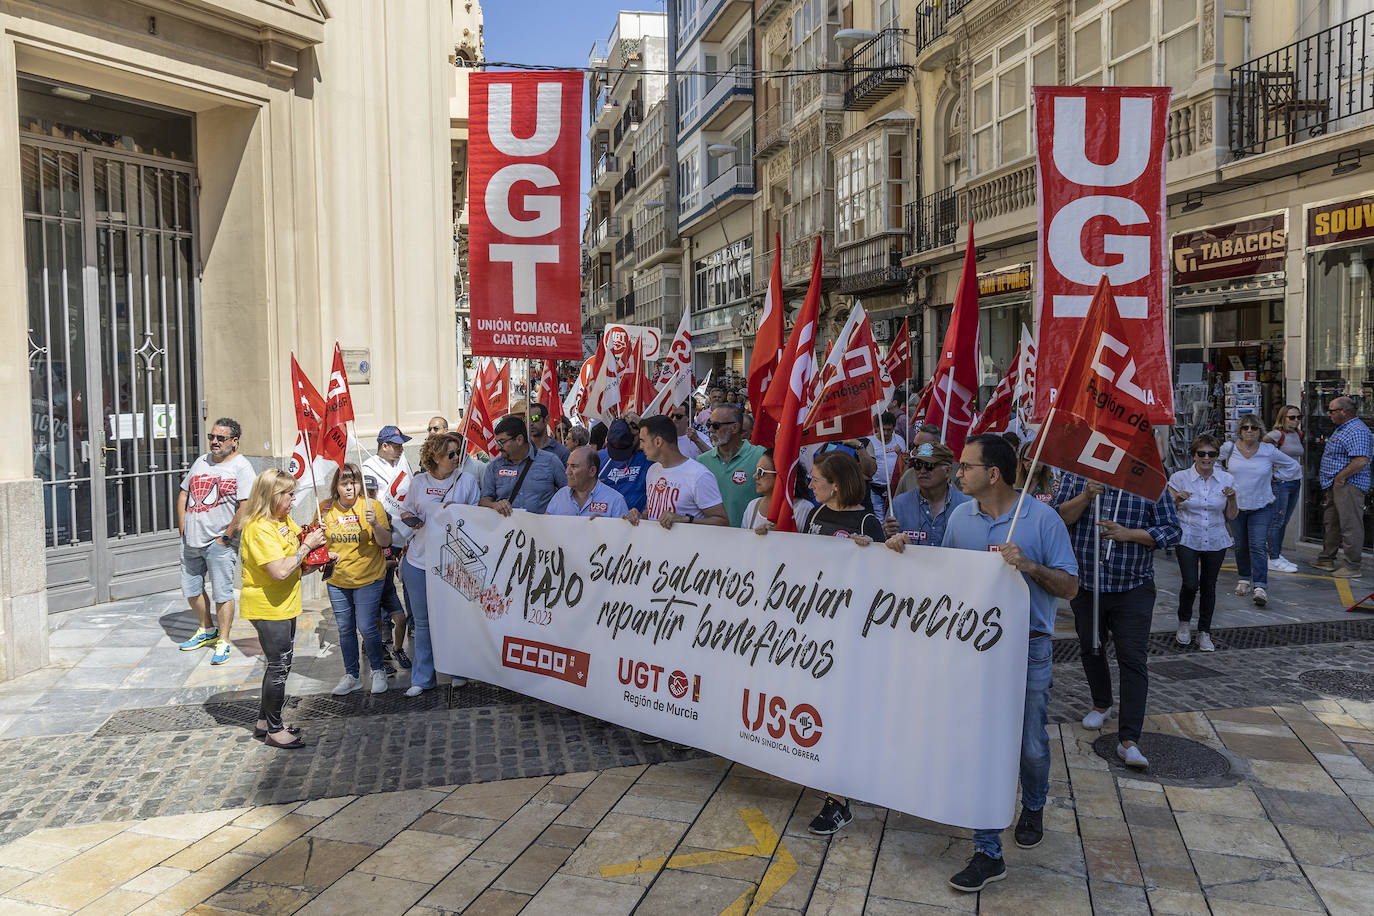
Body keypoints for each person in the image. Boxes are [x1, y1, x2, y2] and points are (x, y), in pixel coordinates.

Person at [925, 434, 1078, 893]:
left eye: (967, 466)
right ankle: (988, 851)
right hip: (974, 650)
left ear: (993, 474)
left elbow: (1070, 587)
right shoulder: (959, 517)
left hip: (1029, 648)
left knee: (1030, 743)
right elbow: (943, 576)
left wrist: (1031, 568)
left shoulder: (1043, 519)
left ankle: (1033, 802)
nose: (958, 474)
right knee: (981, 745)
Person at [758, 449, 882, 838]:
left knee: (841, 712)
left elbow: (884, 582)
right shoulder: (813, 516)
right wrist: (769, 539)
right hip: (812, 629)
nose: (809, 485)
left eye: (816, 479)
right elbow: (800, 562)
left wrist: (874, 553)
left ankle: (838, 799)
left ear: (837, 483)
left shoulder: (867, 521)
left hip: (848, 634)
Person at [1053, 473, 1180, 769]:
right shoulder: (1077, 474)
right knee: (1091, 646)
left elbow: (1172, 531)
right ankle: (1101, 702)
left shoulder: (1151, 480)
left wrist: (1129, 534)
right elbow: (1059, 519)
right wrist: (1085, 496)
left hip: (1133, 585)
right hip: (1085, 583)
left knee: (1133, 658)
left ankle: (1129, 740)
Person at [238, 469, 330, 749]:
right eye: (289, 494)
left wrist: (319, 557)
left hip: (285, 603)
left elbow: (294, 567)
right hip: (267, 607)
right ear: (272, 495)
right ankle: (275, 731)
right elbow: (279, 570)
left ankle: (263, 723)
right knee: (279, 667)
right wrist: (306, 546)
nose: (293, 499)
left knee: (279, 665)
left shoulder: (283, 521)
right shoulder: (258, 528)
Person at [401, 432, 481, 697]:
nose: (457, 457)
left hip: (454, 561)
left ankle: (459, 671)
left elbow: (477, 518)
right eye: (451, 454)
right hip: (419, 561)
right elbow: (406, 510)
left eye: (458, 452)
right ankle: (423, 678)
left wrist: (458, 511)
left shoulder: (467, 481)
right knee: (423, 623)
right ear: (434, 457)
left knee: (454, 618)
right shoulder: (418, 482)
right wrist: (413, 519)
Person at [178, 417, 257, 666]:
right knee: (191, 589)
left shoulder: (241, 467)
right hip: (191, 539)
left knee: (222, 593)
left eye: (220, 438)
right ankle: (206, 629)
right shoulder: (201, 461)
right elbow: (184, 493)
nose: (214, 442)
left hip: (219, 541)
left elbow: (246, 506)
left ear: (234, 442)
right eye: (212, 437)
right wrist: (183, 526)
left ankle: (223, 640)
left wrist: (227, 536)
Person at [321, 464, 392, 695]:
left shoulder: (372, 506)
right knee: (344, 628)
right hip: (338, 580)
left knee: (367, 627)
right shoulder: (326, 508)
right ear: (337, 486)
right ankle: (352, 675)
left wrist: (375, 524)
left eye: (354, 482)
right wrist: (317, 535)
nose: (350, 488)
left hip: (369, 577)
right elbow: (317, 544)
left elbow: (385, 542)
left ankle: (378, 669)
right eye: (344, 483)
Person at [1220, 415, 1300, 605]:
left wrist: (1275, 475)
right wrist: (1222, 481)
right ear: (1239, 431)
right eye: (1245, 427)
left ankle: (1260, 586)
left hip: (1262, 506)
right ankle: (1244, 579)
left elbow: (1293, 466)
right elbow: (1213, 463)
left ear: (1259, 431)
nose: (1249, 431)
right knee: (1241, 545)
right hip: (1236, 506)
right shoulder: (1229, 448)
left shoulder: (1268, 450)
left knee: (1257, 545)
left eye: (1254, 428)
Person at [1168, 435, 1238, 653]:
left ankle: (1205, 631)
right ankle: (1184, 622)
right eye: (1202, 454)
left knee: (1209, 585)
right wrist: (1177, 500)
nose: (1206, 458)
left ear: (1217, 456)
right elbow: (1166, 511)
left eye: (1212, 454)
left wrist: (1233, 498)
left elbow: (1232, 516)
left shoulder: (1226, 479)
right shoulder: (1179, 478)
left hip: (1216, 537)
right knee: (1190, 583)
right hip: (1188, 535)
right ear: (1194, 455)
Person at [362, 425, 414, 673]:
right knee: (382, 590)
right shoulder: (369, 467)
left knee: (399, 588)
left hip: (404, 534)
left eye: (401, 444)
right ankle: (381, 644)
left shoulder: (403, 463)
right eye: (396, 444)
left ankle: (399, 640)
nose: (400, 448)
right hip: (384, 536)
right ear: (384, 446)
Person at [625, 415, 728, 527]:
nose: (640, 446)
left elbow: (723, 522)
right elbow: (651, 512)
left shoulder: (699, 475)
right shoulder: (652, 470)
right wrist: (639, 516)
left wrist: (687, 519)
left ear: (658, 442)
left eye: (643, 441)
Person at [1313, 396, 1371, 577]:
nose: (1328, 414)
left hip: (1348, 484)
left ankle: (1352, 565)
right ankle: (1326, 558)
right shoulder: (1343, 429)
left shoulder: (1357, 430)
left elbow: (1361, 460)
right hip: (1337, 483)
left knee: (1350, 525)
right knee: (1332, 522)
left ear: (1344, 412)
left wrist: (1340, 477)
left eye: (1331, 410)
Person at [884, 442, 969, 547]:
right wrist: (888, 537)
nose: (922, 471)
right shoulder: (899, 505)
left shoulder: (967, 506)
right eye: (918, 465)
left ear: (947, 471)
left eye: (929, 465)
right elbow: (885, 550)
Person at [480, 415, 567, 515]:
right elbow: (484, 500)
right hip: (507, 528)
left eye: (501, 442)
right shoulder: (494, 467)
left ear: (519, 439)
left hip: (541, 528)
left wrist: (553, 512)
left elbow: (568, 494)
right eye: (496, 442)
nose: (497, 447)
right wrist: (494, 505)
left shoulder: (550, 461)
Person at [697, 404, 765, 527]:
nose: (711, 430)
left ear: (734, 428)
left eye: (716, 425)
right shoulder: (702, 461)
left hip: (749, 540)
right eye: (709, 424)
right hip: (710, 539)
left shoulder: (760, 457)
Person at [1264, 404, 1304, 573]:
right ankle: (1272, 557)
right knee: (1276, 521)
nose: (1295, 421)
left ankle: (1277, 554)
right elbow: (1262, 452)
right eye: (1291, 417)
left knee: (1284, 521)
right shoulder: (1276, 435)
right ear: (1283, 418)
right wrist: (1271, 473)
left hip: (1295, 481)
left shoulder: (1298, 434)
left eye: (1298, 417)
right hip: (1280, 483)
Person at [547, 446, 628, 518]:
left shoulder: (615, 501)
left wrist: (605, 526)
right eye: (567, 465)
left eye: (574, 466)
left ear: (592, 471)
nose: (567, 472)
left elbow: (623, 533)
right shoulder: (560, 496)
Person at [599, 418, 651, 512]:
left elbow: (663, 441)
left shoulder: (649, 457)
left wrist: (642, 425)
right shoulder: (600, 457)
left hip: (637, 520)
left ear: (636, 436)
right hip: (608, 518)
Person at [871, 412, 905, 517]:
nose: (885, 433)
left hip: (894, 488)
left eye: (889, 430)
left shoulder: (899, 440)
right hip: (875, 488)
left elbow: (904, 463)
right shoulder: (870, 441)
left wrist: (900, 454)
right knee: (879, 517)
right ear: (877, 428)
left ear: (894, 428)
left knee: (894, 516)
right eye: (882, 429)